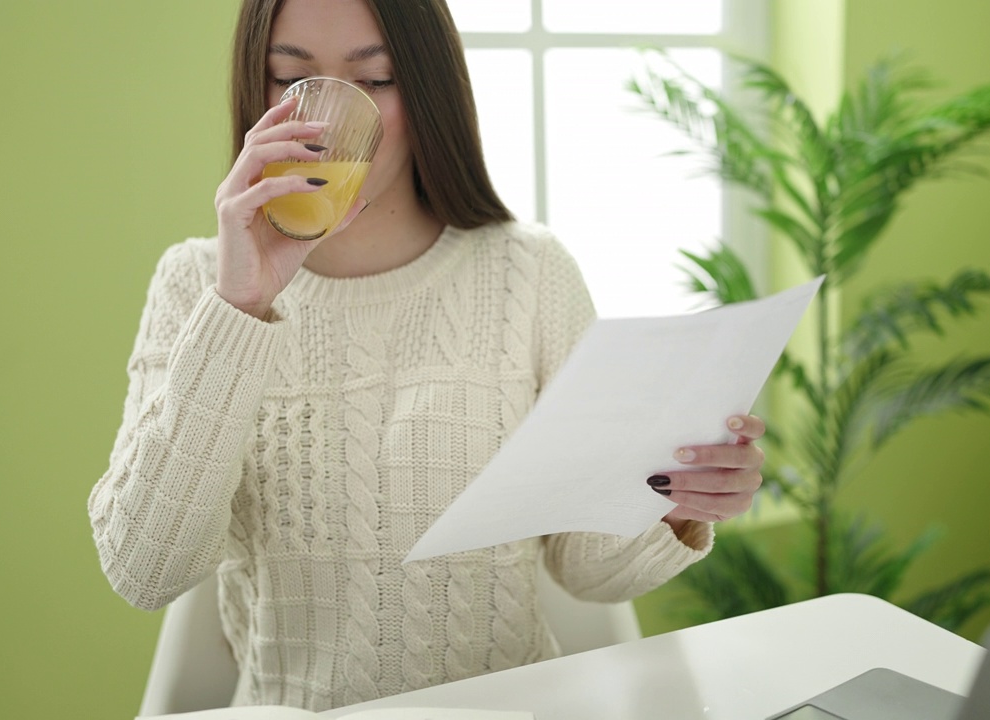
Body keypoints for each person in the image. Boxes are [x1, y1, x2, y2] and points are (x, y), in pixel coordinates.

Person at [88, 0, 766, 712]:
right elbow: (144, 569)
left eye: (374, 81)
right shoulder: (198, 284)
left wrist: (680, 500)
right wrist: (241, 307)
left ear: (426, 89)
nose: (321, 124)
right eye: (290, 81)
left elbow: (588, 568)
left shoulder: (529, 273)